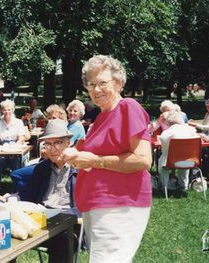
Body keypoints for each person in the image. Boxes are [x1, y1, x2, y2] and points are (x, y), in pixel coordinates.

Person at [62, 55, 152, 262]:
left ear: (119, 83)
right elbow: (93, 157)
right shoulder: (100, 117)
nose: (96, 89)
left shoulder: (128, 107)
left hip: (119, 205)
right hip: (97, 204)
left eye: (103, 82)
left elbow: (143, 160)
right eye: (91, 84)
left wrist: (93, 160)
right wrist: (77, 157)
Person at [20, 119, 77, 262]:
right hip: (41, 220)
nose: (52, 149)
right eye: (48, 144)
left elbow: (87, 207)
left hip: (70, 225)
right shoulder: (42, 168)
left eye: (57, 143)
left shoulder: (80, 169)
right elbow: (27, 196)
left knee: (62, 240)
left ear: (68, 143)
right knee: (7, 232)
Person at [0, 99, 27, 191]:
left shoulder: (18, 122)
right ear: (1, 111)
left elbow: (21, 137)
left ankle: (17, 186)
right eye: (4, 109)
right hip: (2, 146)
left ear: (13, 109)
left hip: (15, 146)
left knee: (16, 161)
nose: (7, 112)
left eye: (9, 109)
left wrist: (16, 145)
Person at [158, 111, 197, 190]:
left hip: (170, 162)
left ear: (168, 122)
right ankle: (183, 184)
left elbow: (164, 150)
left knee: (162, 158)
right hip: (190, 161)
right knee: (185, 156)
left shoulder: (166, 133)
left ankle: (165, 185)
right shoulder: (192, 131)